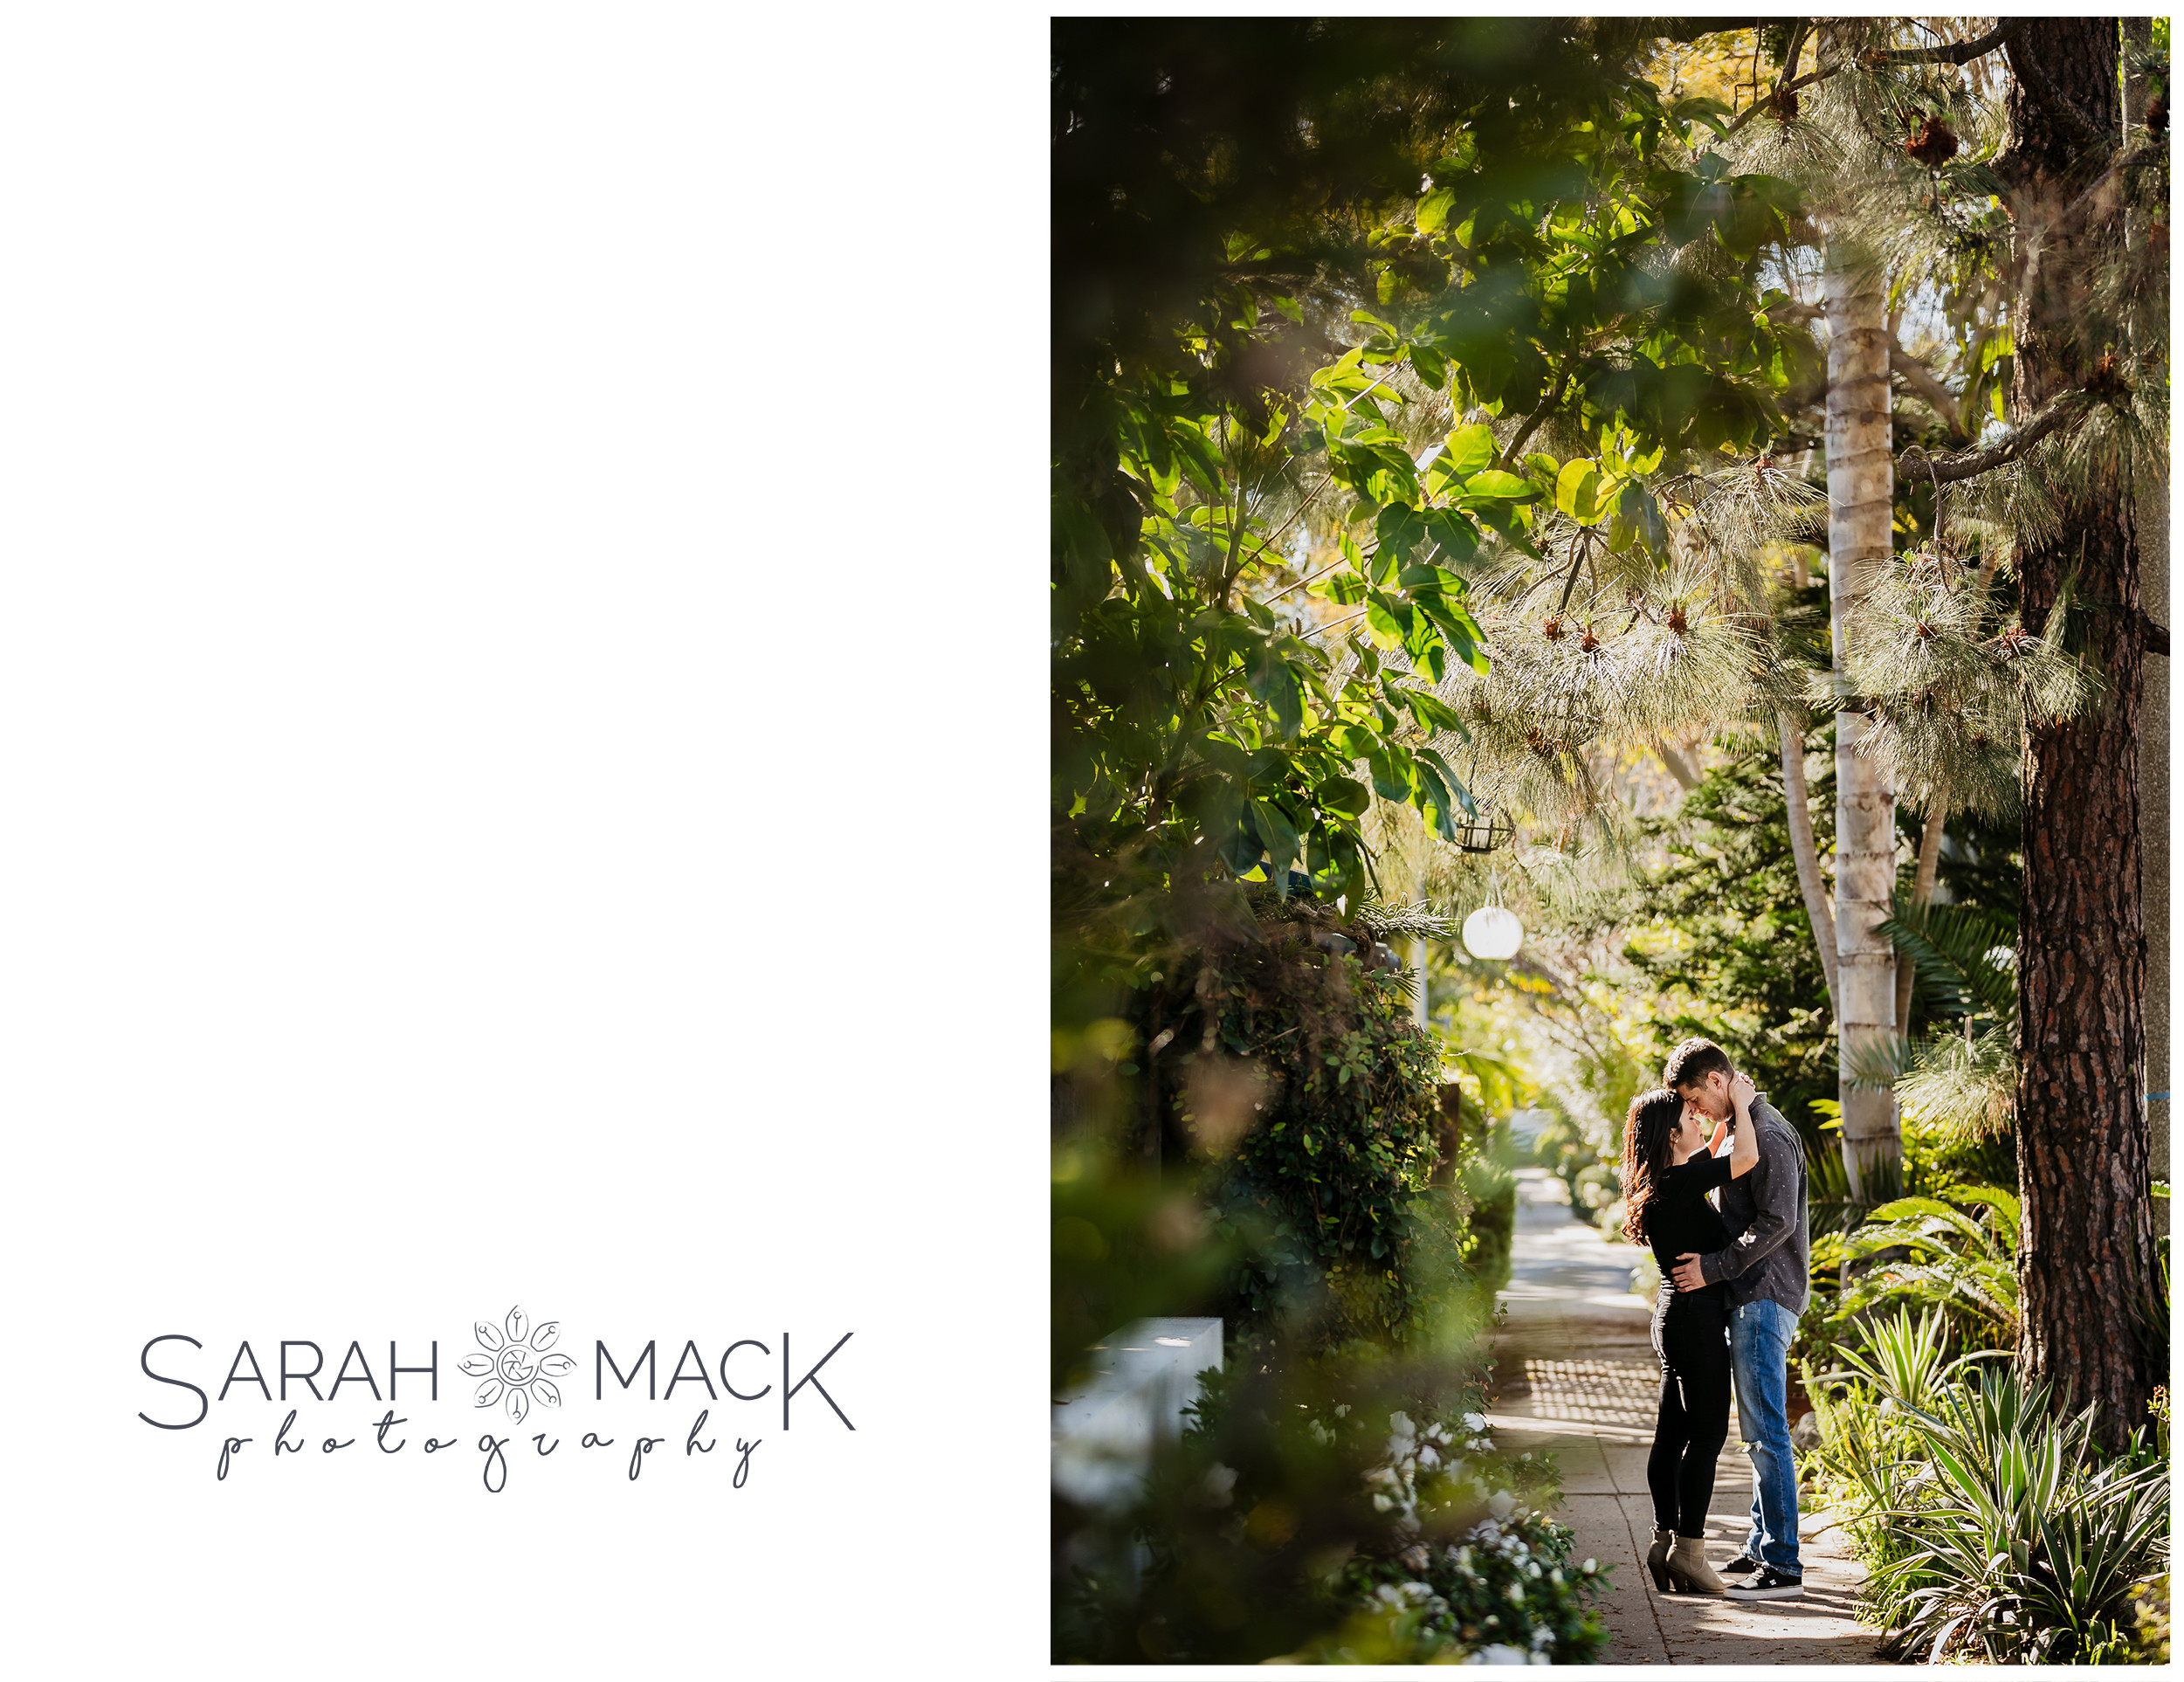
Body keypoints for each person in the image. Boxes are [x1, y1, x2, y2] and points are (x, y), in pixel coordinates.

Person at [1664, 1037, 1811, 1603]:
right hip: (1755, 1295)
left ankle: (1782, 1565)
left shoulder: (1767, 1134)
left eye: (1696, 1098)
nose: (1694, 1111)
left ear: (1718, 1081)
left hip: (1762, 1295)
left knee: (1765, 1432)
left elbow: (1775, 1222)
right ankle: (1760, 1546)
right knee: (1757, 1433)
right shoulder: (1751, 1123)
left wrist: (1713, 1268)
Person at [1620, 1076, 1759, 1596]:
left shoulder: (1665, 1181)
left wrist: (1718, 1126)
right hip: (1695, 1321)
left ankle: (1663, 1541)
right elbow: (1742, 1157)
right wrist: (1741, 1104)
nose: (1699, 1119)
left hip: (1674, 1317)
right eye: (1689, 1118)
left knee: (1672, 1435)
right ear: (1672, 1136)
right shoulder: (1677, 1185)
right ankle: (1691, 1553)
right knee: (1706, 1438)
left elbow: (1720, 1152)